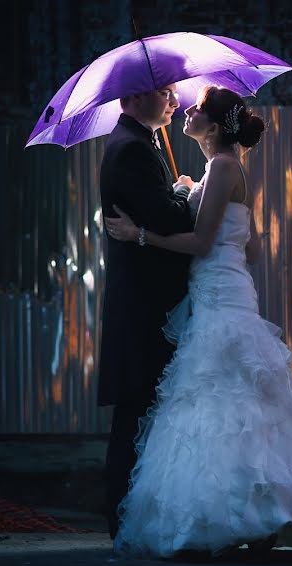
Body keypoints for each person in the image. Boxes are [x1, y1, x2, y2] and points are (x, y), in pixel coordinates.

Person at [103, 85, 292, 559]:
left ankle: (242, 515)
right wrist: (191, 191)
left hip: (220, 295)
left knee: (228, 400)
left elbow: (204, 243)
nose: (186, 109)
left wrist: (139, 233)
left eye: (198, 109)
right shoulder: (218, 169)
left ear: (214, 125)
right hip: (218, 289)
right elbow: (248, 245)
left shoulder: (224, 167)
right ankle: (246, 514)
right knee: (226, 402)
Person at [98, 83, 195, 540]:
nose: (174, 101)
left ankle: (136, 519)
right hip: (143, 308)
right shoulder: (131, 150)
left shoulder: (143, 144)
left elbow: (157, 209)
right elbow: (169, 219)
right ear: (133, 97)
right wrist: (185, 198)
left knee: (144, 414)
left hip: (146, 305)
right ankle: (123, 521)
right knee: (135, 413)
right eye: (165, 92)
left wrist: (173, 190)